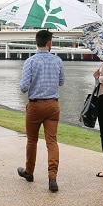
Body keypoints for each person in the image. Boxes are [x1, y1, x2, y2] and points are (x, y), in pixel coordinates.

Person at [17, 29, 65, 192]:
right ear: (49, 43)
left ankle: (29, 172)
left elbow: (23, 87)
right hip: (52, 105)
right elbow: (61, 82)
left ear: (36, 42)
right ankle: (52, 178)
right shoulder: (58, 61)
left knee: (32, 140)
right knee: (52, 141)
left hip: (35, 105)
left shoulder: (30, 61)